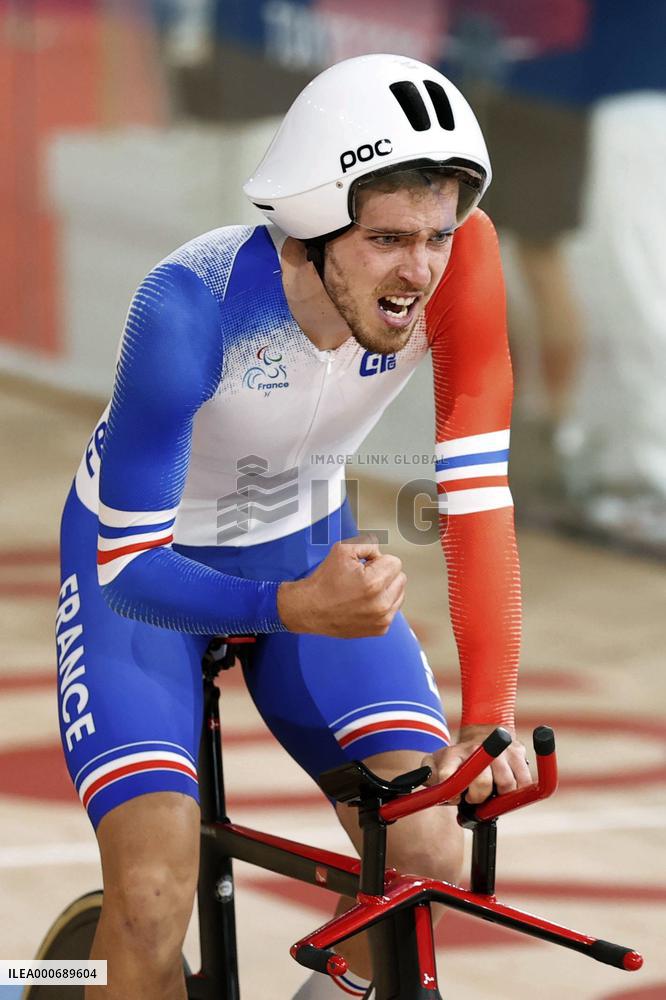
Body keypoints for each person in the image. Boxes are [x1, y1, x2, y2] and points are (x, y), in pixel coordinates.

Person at [55, 53, 530, 999]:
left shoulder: (461, 264)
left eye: (439, 233)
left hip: (298, 548)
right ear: (310, 228)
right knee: (151, 900)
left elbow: (476, 492)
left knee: (432, 854)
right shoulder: (189, 307)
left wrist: (489, 712)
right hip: (145, 577)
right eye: (390, 238)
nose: (421, 270)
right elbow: (128, 570)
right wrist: (291, 605)